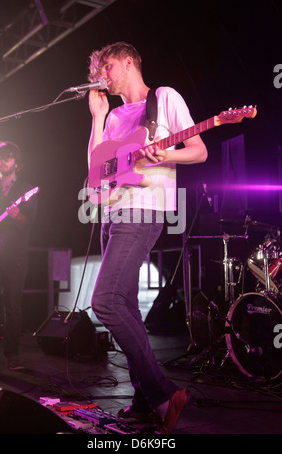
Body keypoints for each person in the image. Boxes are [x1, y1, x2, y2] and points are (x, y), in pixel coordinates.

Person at [87, 42, 208, 434]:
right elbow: (96, 164)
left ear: (128, 61)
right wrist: (97, 117)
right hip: (113, 214)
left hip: (145, 210)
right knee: (125, 307)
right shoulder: (115, 114)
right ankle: (143, 404)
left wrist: (167, 156)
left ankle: (162, 393)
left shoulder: (164, 98)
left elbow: (199, 150)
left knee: (104, 301)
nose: (102, 75)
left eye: (107, 67)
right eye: (99, 70)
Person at [0, 141, 38, 375]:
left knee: (13, 307)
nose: (2, 162)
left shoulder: (27, 189)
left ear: (17, 162)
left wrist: (17, 216)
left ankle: (12, 356)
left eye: (7, 157)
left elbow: (31, 223)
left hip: (15, 257)